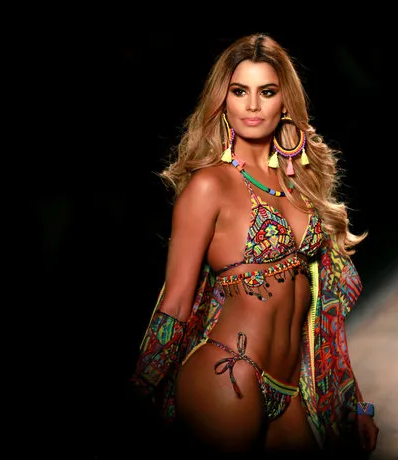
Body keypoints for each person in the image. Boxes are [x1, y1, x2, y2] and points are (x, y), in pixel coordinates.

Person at [130, 33, 379, 456]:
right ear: (222, 101)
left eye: (266, 92)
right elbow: (175, 302)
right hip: (228, 371)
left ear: (285, 100)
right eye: (239, 91)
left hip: (290, 386)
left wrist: (352, 402)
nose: (252, 105)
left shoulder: (300, 184)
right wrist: (136, 395)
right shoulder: (210, 185)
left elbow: (325, 318)